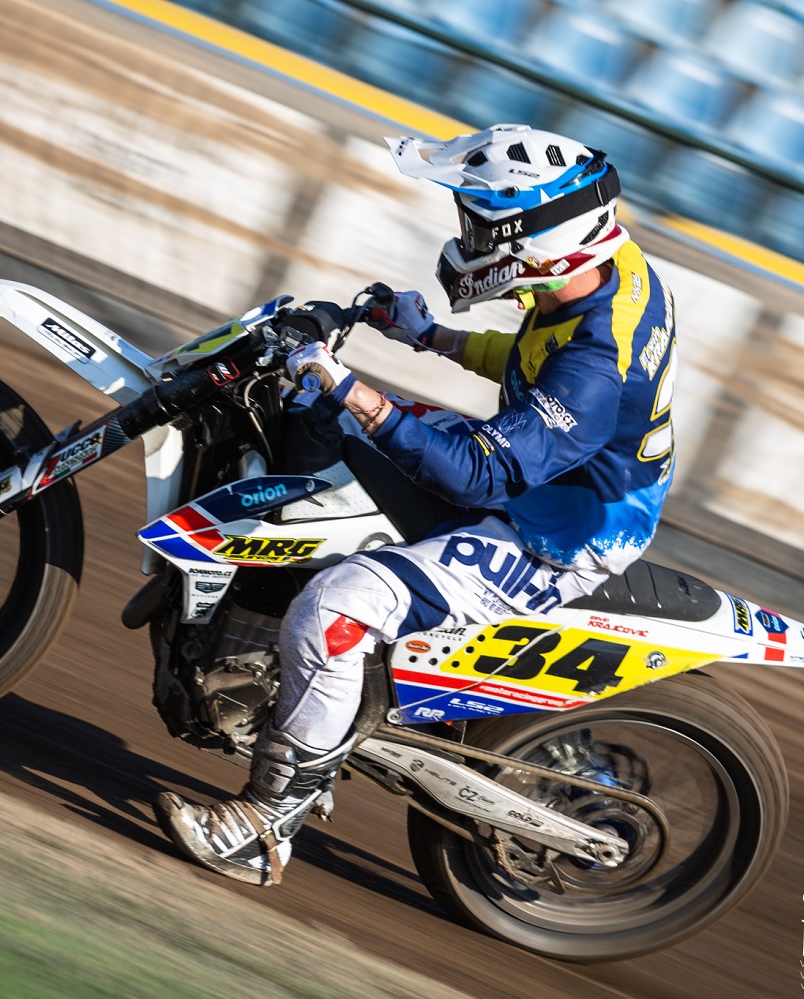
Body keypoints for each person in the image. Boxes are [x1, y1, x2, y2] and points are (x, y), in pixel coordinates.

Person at [155, 124, 677, 885]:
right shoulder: (604, 273)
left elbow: (479, 477)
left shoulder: (598, 365)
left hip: (554, 531)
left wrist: (352, 387)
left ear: (537, 239)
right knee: (314, 430)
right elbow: (533, 357)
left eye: (481, 227)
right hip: (543, 471)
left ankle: (266, 826)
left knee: (334, 606)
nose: (466, 239)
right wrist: (429, 336)